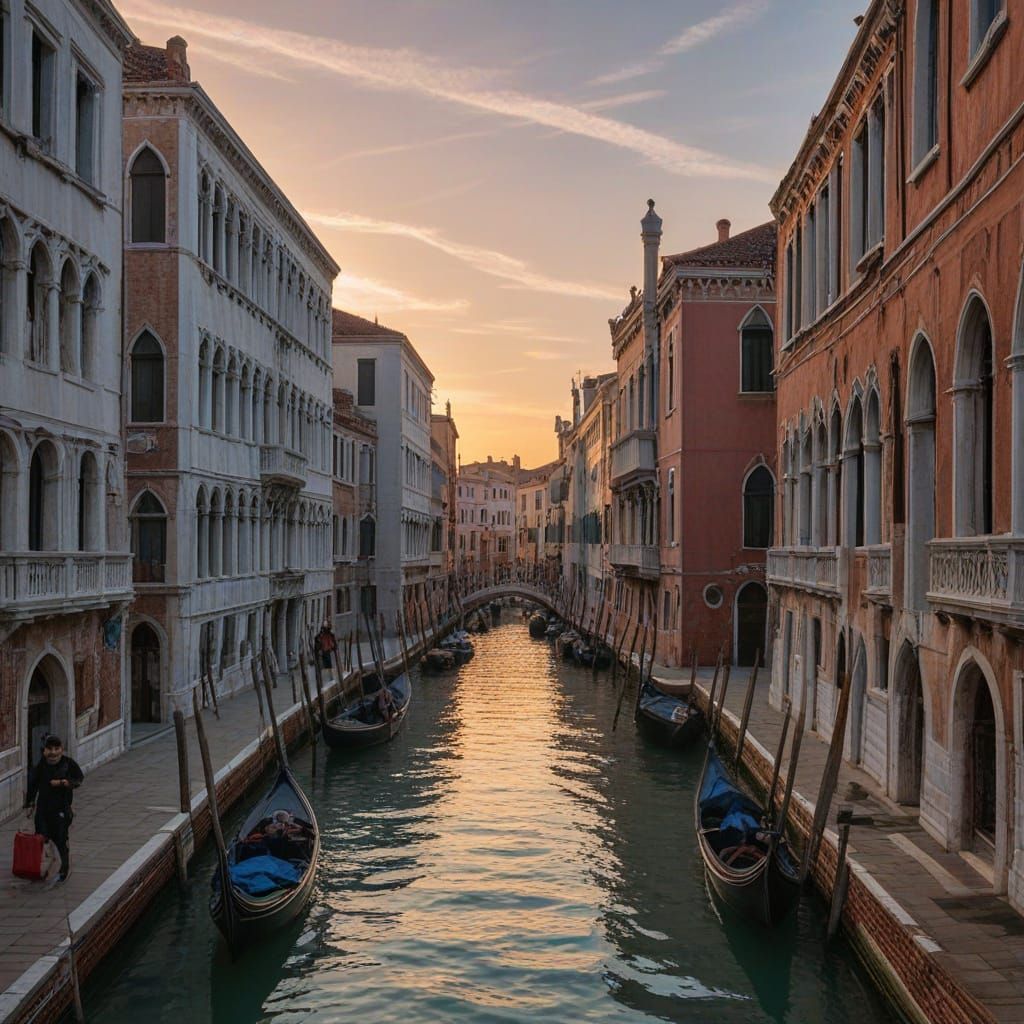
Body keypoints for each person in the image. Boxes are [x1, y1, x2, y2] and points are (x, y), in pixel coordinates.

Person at [24, 735, 83, 882]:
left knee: (61, 839)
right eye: (50, 749)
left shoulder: (68, 763)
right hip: (43, 809)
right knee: (42, 837)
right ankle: (42, 868)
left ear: (61, 749)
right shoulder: (41, 766)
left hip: (61, 808)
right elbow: (33, 785)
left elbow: (78, 779)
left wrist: (64, 782)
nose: (53, 753)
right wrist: (30, 804)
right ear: (44, 751)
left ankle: (64, 869)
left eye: (57, 749)